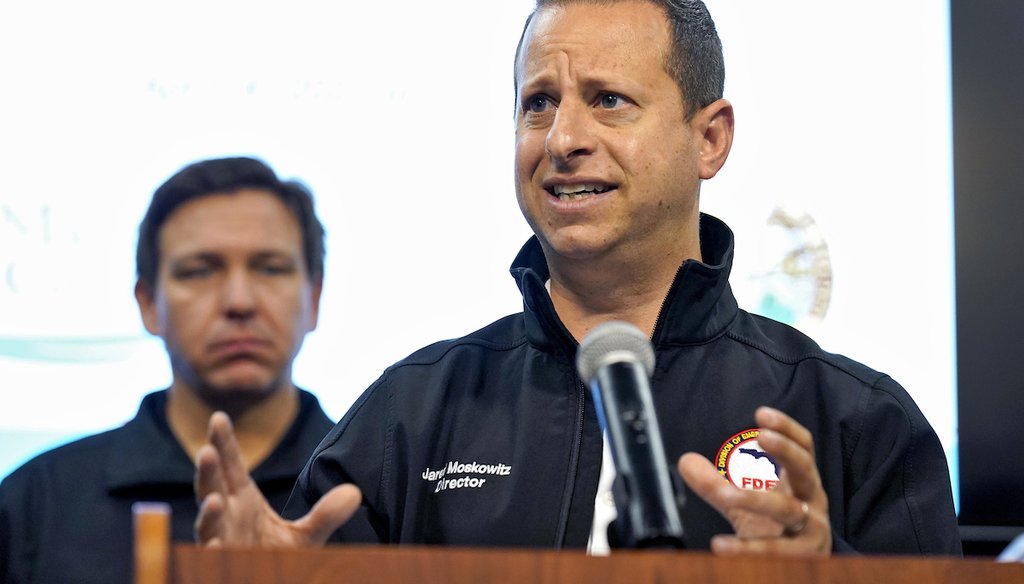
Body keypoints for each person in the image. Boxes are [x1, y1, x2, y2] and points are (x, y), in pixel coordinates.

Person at [194, 0, 962, 556]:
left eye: (608, 102)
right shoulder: (412, 409)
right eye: (539, 105)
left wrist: (827, 576)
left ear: (710, 139)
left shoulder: (852, 417)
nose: (563, 139)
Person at [0, 157, 348, 584]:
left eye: (270, 267)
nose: (239, 301)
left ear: (314, 298)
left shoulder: (371, 494)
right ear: (148, 304)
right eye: (199, 270)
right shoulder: (37, 503)